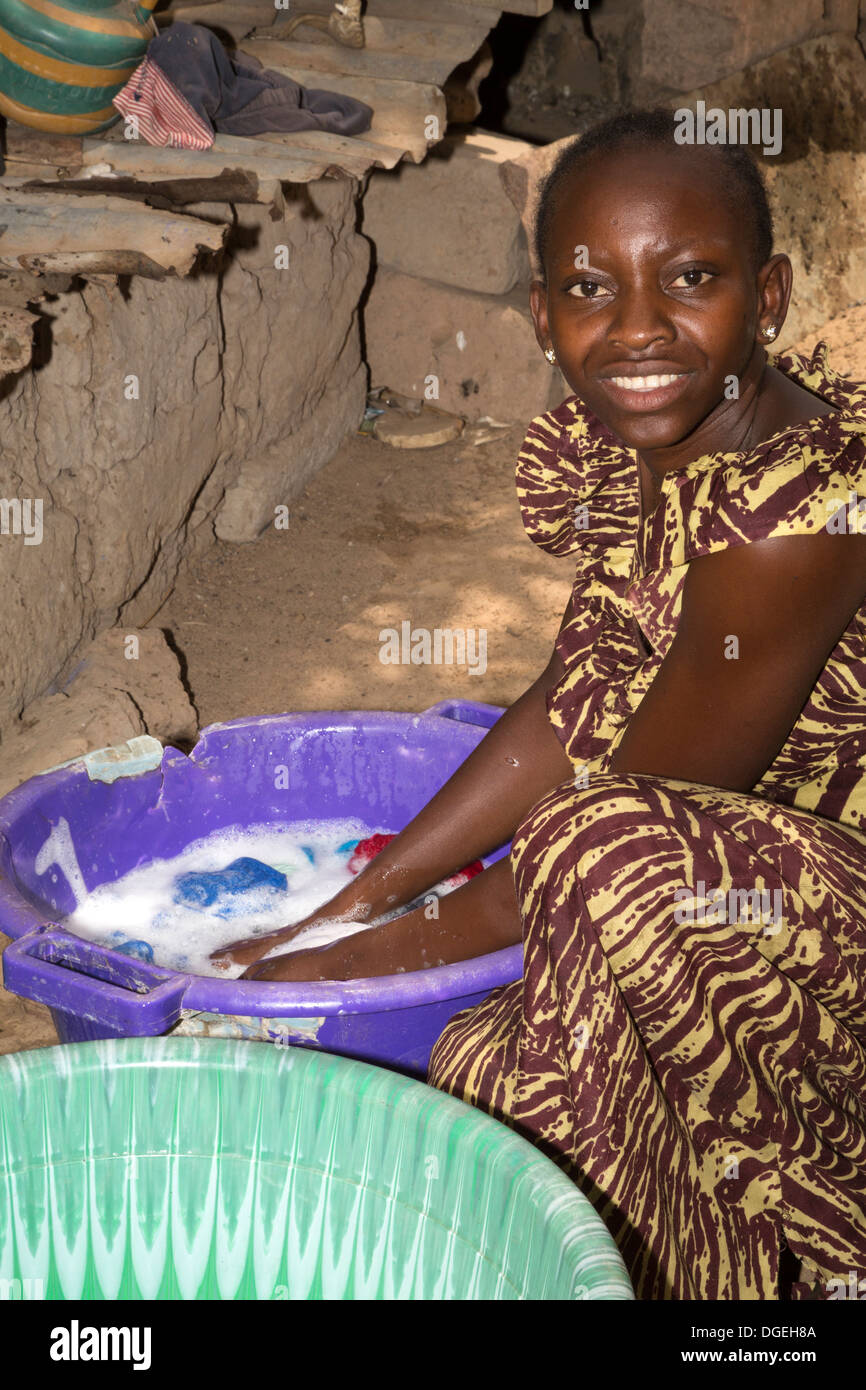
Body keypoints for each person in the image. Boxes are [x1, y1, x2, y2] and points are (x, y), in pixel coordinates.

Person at [213, 109, 866, 1300]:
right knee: (479, 1070)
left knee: (588, 856)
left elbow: (623, 823)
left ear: (764, 300)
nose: (634, 329)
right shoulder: (661, 440)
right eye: (586, 287)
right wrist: (355, 902)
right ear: (538, 315)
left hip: (831, 964)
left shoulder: (795, 521)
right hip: (736, 900)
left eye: (689, 279)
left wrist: (320, 978)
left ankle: (771, 1257)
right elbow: (578, 693)